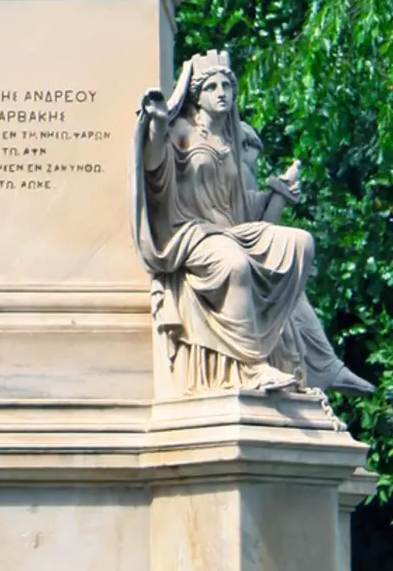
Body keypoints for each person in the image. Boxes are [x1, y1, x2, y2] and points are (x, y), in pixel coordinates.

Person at [131, 51, 307, 394]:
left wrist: (281, 194)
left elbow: (249, 212)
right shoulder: (181, 130)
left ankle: (279, 348)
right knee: (235, 264)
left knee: (300, 244)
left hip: (233, 232)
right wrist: (157, 125)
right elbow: (154, 168)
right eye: (212, 86)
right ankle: (254, 366)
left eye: (227, 85)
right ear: (197, 95)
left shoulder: (231, 143)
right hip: (191, 234)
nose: (222, 92)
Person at [237, 122, 373, 396]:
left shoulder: (241, 173)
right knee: (281, 283)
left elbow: (262, 231)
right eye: (250, 150)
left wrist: (280, 196)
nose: (253, 160)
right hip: (225, 252)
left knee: (291, 283)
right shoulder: (226, 168)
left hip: (245, 249)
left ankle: (327, 367)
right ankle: (327, 368)